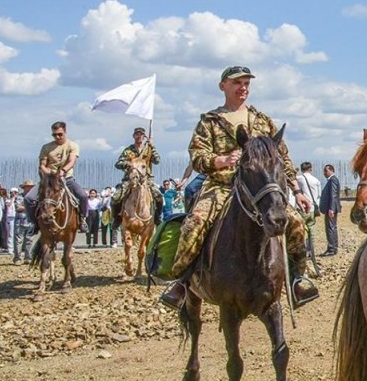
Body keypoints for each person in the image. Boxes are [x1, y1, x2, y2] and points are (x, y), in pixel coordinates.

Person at [159, 65, 318, 309]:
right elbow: (197, 157)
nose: (243, 88)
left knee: (295, 222)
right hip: (220, 185)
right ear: (223, 86)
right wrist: (220, 160)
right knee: (195, 224)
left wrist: (297, 191)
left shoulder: (262, 121)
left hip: (258, 189)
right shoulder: (210, 122)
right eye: (237, 83)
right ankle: (182, 282)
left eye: (246, 83)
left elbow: (282, 158)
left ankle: (297, 279)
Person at [25, 121, 90, 228]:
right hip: (49, 180)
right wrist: (49, 174)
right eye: (54, 135)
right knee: (28, 198)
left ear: (65, 131)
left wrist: (62, 171)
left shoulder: (72, 145)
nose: (57, 137)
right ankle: (33, 223)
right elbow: (42, 165)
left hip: (66, 179)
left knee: (83, 196)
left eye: (60, 134)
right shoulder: (46, 147)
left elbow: (72, 161)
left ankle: (83, 219)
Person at [112, 127, 164, 225]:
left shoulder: (148, 149)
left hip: (146, 178)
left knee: (158, 196)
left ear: (144, 137)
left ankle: (157, 216)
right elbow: (118, 164)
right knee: (116, 197)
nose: (139, 136)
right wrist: (128, 164)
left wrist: (152, 147)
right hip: (130, 178)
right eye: (137, 134)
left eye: (141, 134)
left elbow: (157, 161)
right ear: (133, 136)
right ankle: (117, 218)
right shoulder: (128, 150)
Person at [319, 164, 340, 256]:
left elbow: (333, 195)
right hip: (331, 208)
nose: (324, 173)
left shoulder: (333, 180)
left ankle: (331, 249)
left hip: (331, 209)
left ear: (331, 170)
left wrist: (331, 208)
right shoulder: (332, 180)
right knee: (332, 227)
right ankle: (333, 248)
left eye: (326, 171)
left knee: (330, 228)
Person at [11, 182, 33, 264]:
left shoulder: (34, 197)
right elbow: (18, 208)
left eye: (31, 187)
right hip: (20, 221)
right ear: (24, 188)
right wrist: (30, 208)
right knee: (18, 240)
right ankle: (17, 258)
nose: (29, 188)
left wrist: (26, 208)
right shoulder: (19, 196)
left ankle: (28, 258)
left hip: (31, 221)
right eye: (28, 187)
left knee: (29, 240)